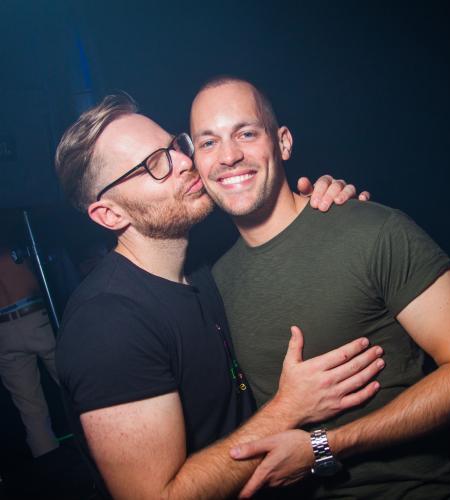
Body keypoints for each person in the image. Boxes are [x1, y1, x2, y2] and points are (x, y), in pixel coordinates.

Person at [54, 95, 382, 499]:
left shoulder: (204, 266)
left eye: (176, 146)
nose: (184, 162)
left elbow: (281, 213)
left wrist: (326, 205)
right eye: (154, 164)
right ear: (110, 215)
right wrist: (289, 408)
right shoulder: (107, 324)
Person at [189, 76, 450, 499]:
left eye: (246, 133)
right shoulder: (214, 286)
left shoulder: (371, 230)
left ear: (283, 143)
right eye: (208, 142)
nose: (229, 156)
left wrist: (327, 447)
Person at [0, 238, 59, 459]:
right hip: (33, 316)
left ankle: (51, 468)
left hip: (4, 331)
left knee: (31, 410)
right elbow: (36, 282)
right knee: (75, 388)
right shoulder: (10, 243)